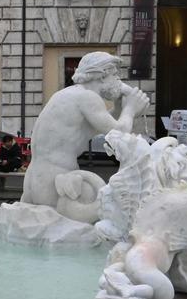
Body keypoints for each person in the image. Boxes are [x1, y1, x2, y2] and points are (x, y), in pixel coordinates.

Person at [20, 51, 150, 209]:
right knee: (104, 207)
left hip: (35, 181)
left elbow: (102, 128)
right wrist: (130, 108)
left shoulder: (67, 95)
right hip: (57, 182)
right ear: (103, 75)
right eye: (115, 75)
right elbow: (119, 133)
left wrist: (119, 107)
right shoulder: (88, 98)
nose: (118, 80)